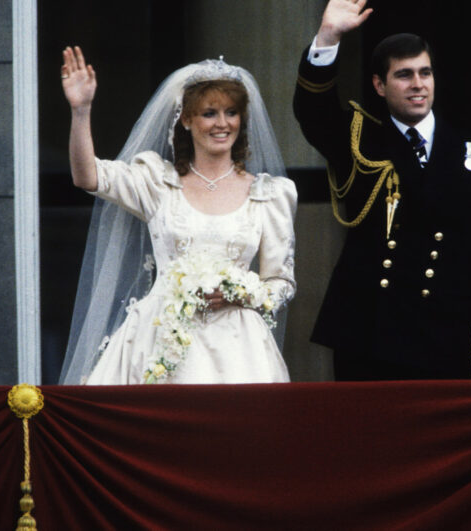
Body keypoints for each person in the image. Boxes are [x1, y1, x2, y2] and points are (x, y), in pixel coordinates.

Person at [293, 0, 471, 380]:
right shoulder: (359, 139)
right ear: (379, 85)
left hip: (449, 333)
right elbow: (313, 111)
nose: (418, 84)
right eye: (404, 75)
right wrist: (328, 37)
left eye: (425, 73)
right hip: (371, 335)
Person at [58, 46, 296, 385]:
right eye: (209, 113)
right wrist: (81, 111)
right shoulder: (158, 183)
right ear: (186, 119)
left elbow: (281, 282)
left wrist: (243, 294)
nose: (222, 123)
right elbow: (88, 177)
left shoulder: (269, 194)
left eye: (231, 112)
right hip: (158, 334)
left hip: (238, 347)